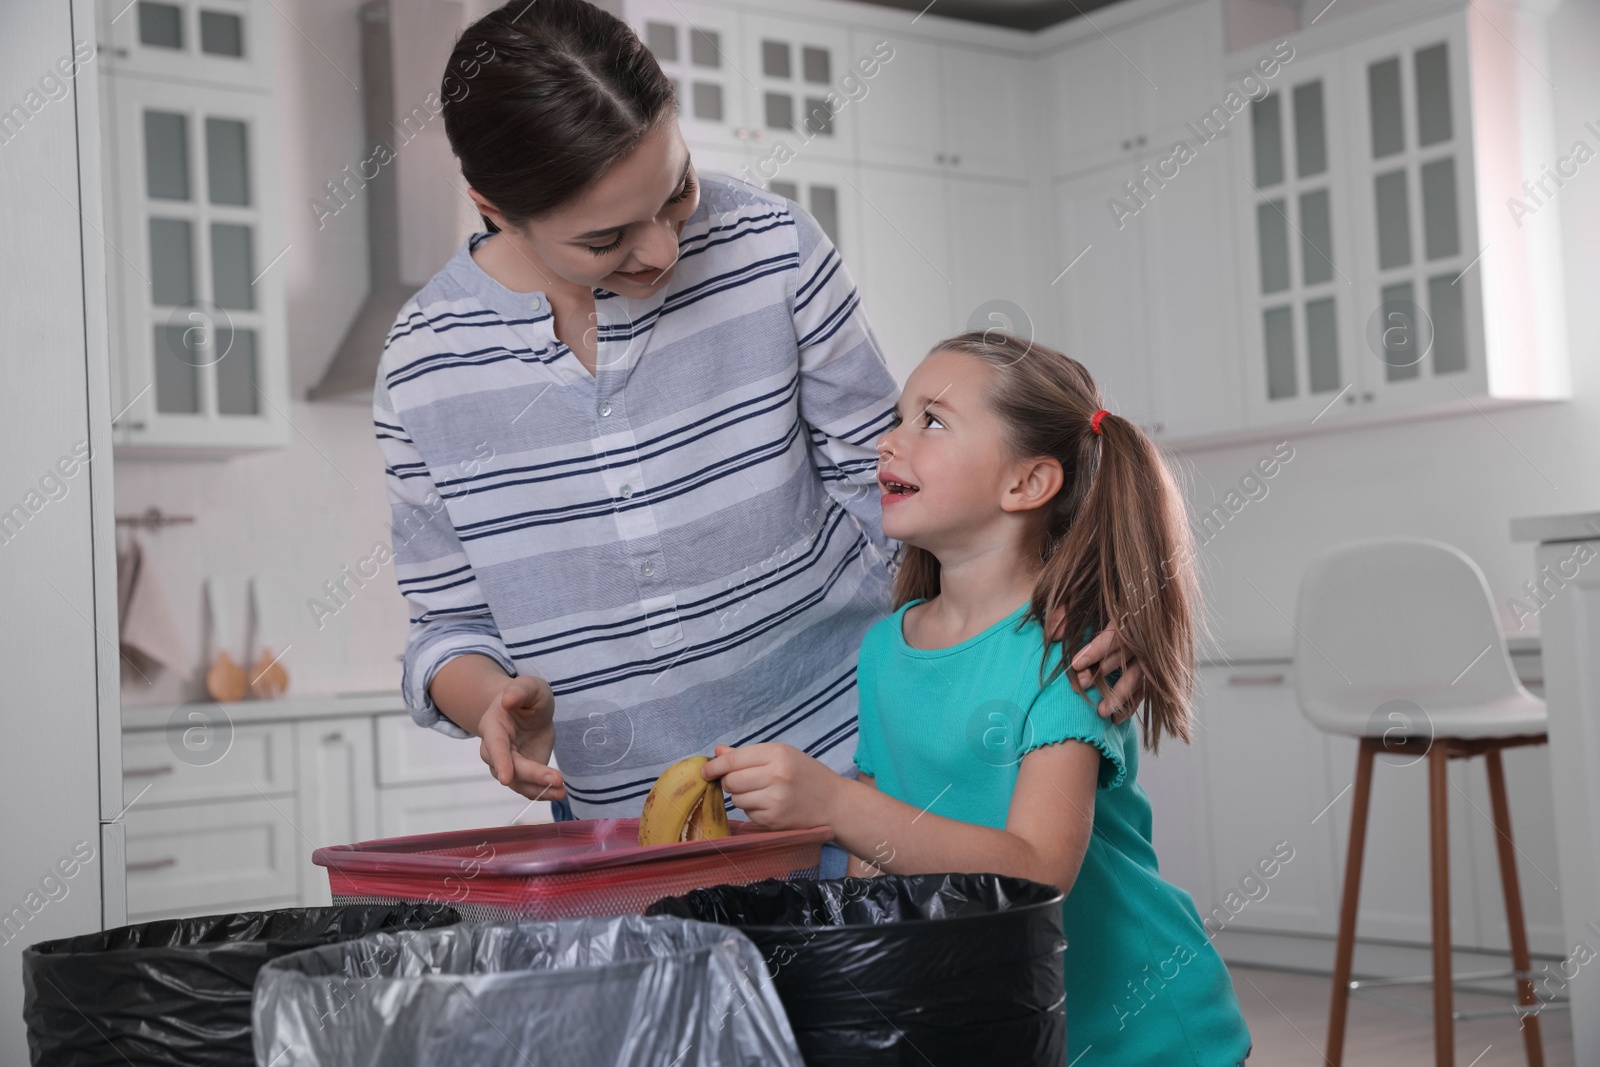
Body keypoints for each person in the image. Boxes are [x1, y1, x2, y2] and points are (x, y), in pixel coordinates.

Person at [373, 0, 1144, 875]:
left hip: (856, 775)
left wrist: (1067, 601)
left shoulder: (770, 247)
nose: (663, 248)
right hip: (633, 840)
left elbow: (891, 486)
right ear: (493, 207)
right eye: (605, 238)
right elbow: (448, 622)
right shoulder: (422, 367)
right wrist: (488, 701)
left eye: (678, 190)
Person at [703, 330, 1253, 1065]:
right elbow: (879, 855)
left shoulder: (1067, 651)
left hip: (1144, 1033)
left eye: (931, 421)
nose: (888, 440)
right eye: (900, 416)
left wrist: (834, 807)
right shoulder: (885, 648)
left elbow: (1033, 871)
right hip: (1008, 1026)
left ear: (1026, 484)